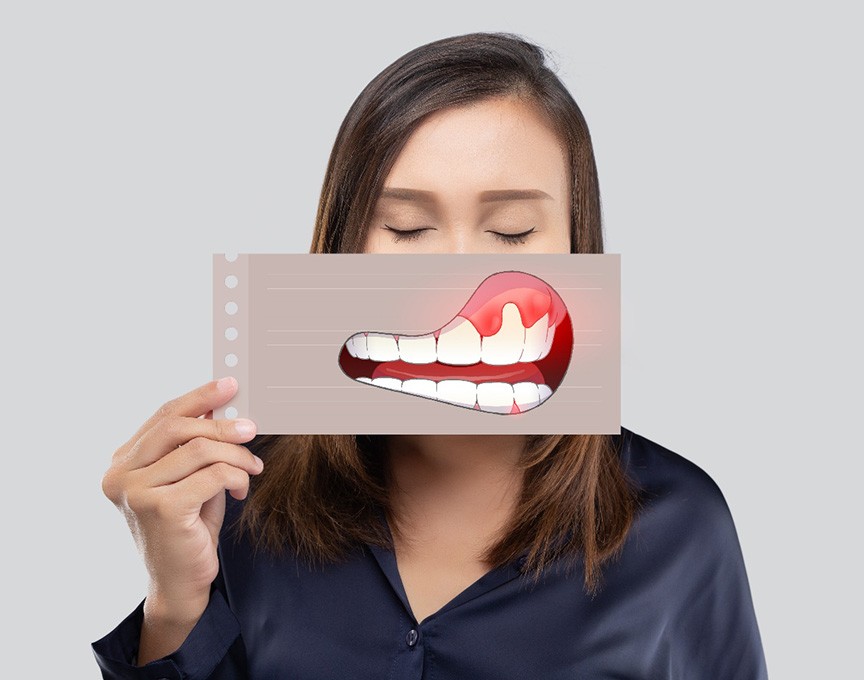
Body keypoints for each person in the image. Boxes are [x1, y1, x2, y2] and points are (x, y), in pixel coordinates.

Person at [92, 32, 769, 679]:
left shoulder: (681, 526)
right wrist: (174, 608)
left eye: (512, 231)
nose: (458, 276)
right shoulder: (244, 503)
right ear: (344, 248)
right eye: (407, 228)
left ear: (577, 250)